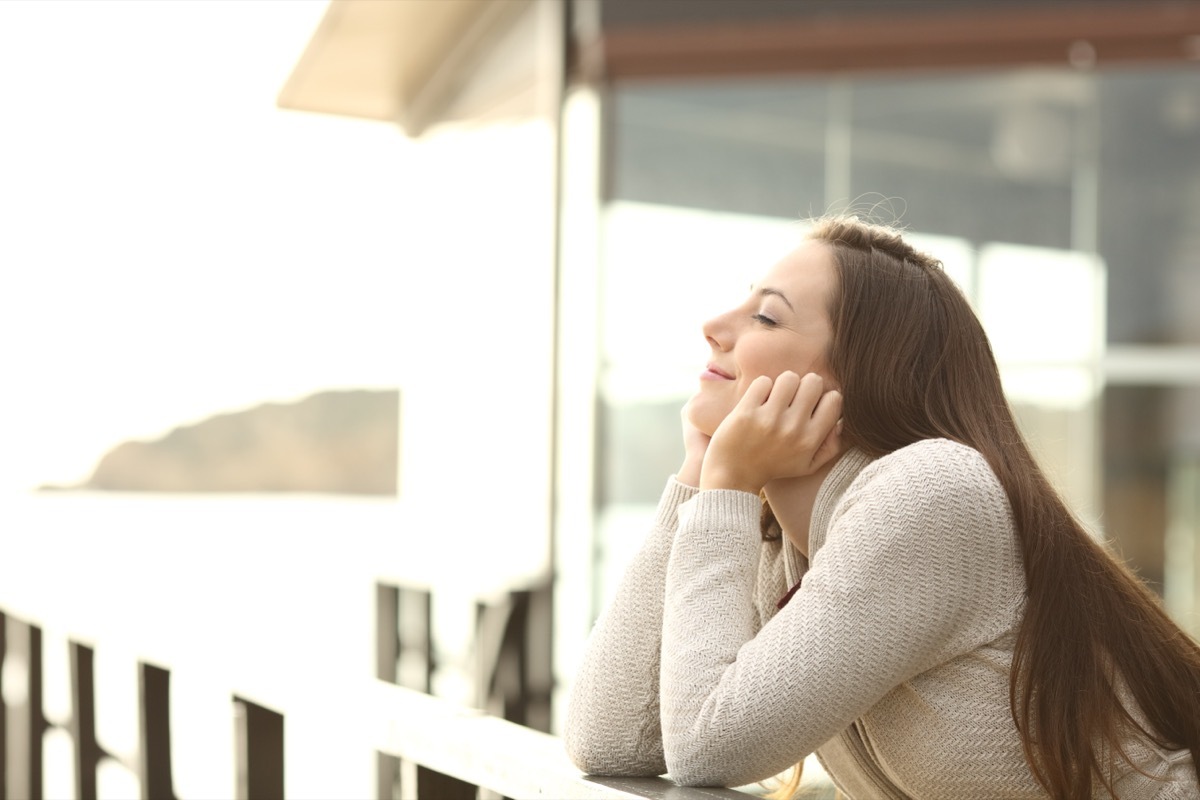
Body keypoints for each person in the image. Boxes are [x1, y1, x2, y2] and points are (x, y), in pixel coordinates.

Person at [563, 216, 1200, 799]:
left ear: (858, 375)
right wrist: (699, 476)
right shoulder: (782, 544)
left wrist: (725, 484)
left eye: (766, 318)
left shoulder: (934, 494)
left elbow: (710, 750)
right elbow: (608, 739)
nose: (714, 326)